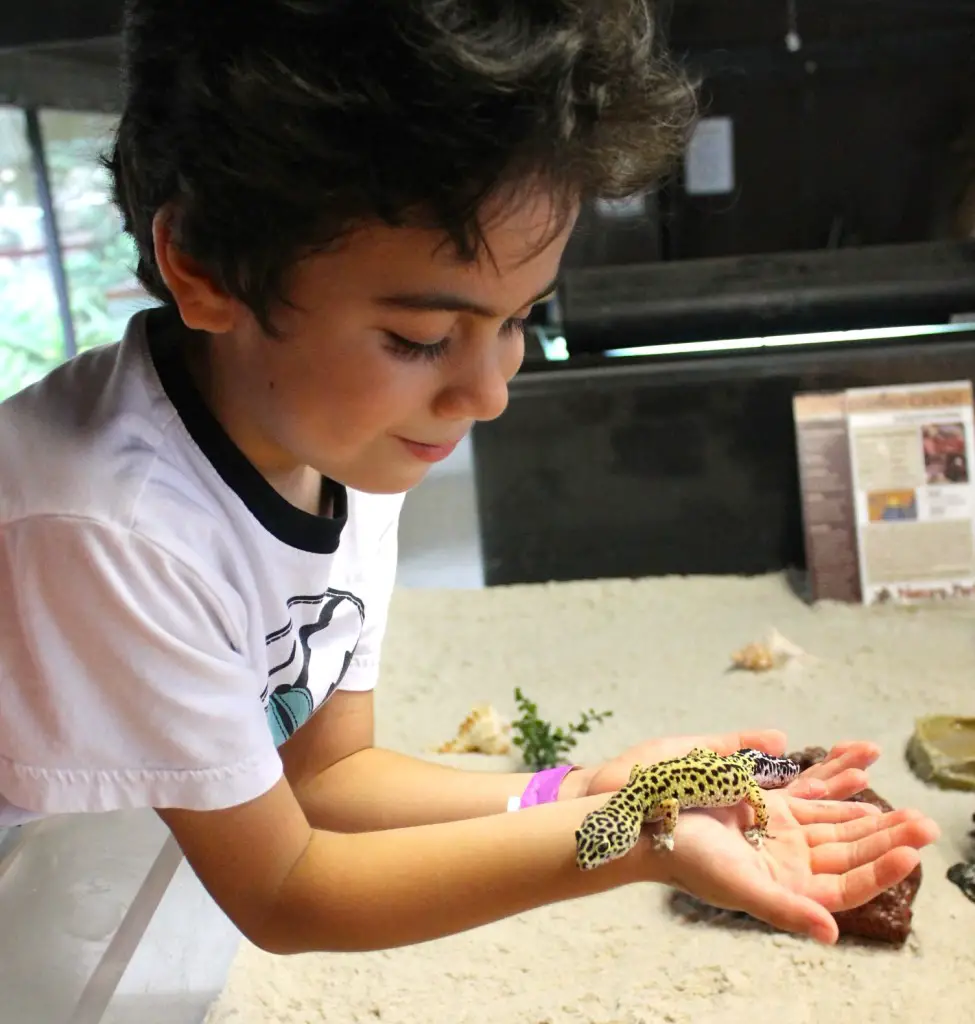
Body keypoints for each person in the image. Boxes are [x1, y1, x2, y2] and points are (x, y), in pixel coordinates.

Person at [0, 0, 938, 956]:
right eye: (420, 338)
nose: (487, 393)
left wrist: (575, 793)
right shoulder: (110, 527)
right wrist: (640, 836)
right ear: (203, 268)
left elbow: (328, 774)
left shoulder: (338, 434)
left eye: (517, 318)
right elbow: (285, 888)